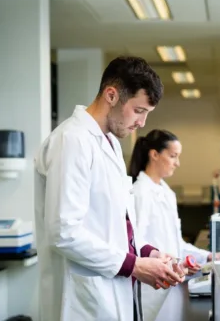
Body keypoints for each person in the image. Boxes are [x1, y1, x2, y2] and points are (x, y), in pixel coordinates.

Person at [34, 56, 186, 321]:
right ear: (111, 95)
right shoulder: (72, 140)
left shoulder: (111, 144)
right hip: (81, 300)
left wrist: (148, 252)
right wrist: (135, 265)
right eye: (139, 111)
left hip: (111, 292)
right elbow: (64, 232)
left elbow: (115, 223)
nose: (142, 123)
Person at [129, 129, 220, 321]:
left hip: (171, 282)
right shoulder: (139, 193)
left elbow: (176, 243)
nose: (177, 163)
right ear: (154, 154)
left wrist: (207, 256)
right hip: (150, 286)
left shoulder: (167, 193)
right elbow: (135, 245)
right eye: (173, 156)